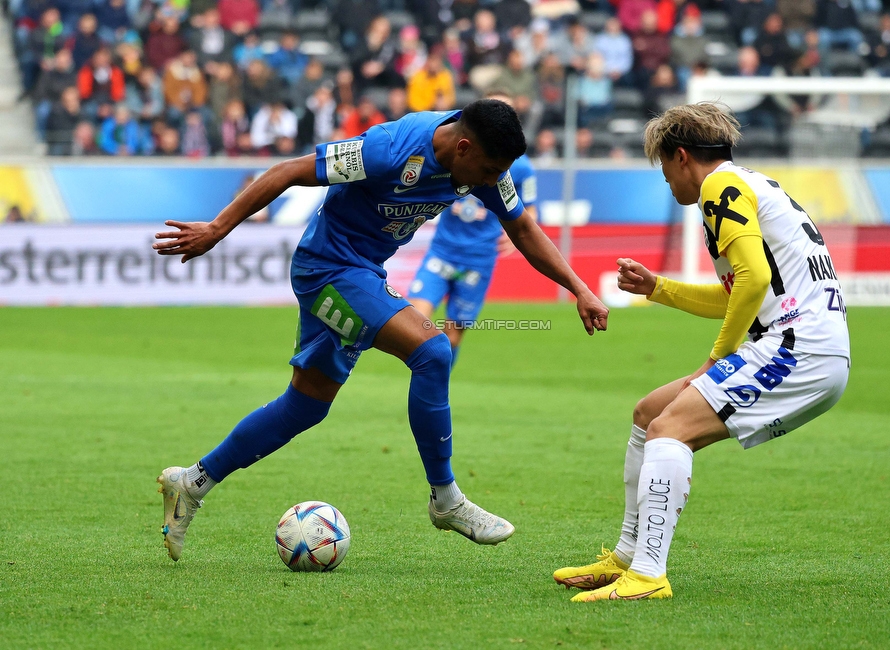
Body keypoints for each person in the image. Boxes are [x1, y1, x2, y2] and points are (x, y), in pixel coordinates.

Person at [153, 100, 609, 562]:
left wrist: (579, 289)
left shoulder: (481, 167)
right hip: (327, 272)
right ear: (465, 146)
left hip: (361, 273)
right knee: (433, 351)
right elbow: (287, 171)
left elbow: (523, 227)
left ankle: (191, 482)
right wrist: (217, 228)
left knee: (305, 406)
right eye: (490, 169)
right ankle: (445, 499)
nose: (492, 181)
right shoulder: (387, 150)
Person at [554, 102, 850, 601]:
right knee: (650, 414)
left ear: (682, 157)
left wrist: (715, 359)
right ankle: (627, 556)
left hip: (798, 348)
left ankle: (648, 574)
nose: (668, 184)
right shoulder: (750, 185)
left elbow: (753, 278)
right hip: (801, 344)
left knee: (671, 429)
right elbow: (745, 291)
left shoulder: (719, 187)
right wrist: (658, 289)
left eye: (665, 168)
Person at [408, 91, 538, 368]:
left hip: (479, 257)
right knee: (417, 323)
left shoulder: (521, 167)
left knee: (452, 336)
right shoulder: (459, 149)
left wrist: (515, 239)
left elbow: (530, 210)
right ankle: (428, 373)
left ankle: (436, 381)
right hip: (443, 249)